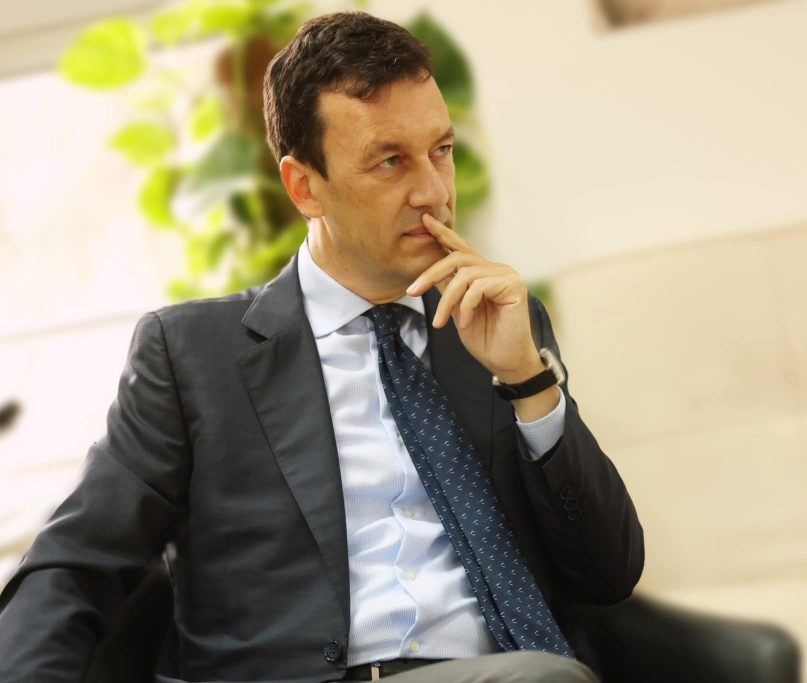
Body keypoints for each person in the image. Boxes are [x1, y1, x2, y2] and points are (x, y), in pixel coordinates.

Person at [0, 11, 643, 683]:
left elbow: (609, 573)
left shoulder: (499, 324)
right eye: (390, 161)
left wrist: (528, 382)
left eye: (441, 150)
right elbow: (74, 562)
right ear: (305, 187)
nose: (433, 191)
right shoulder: (192, 356)